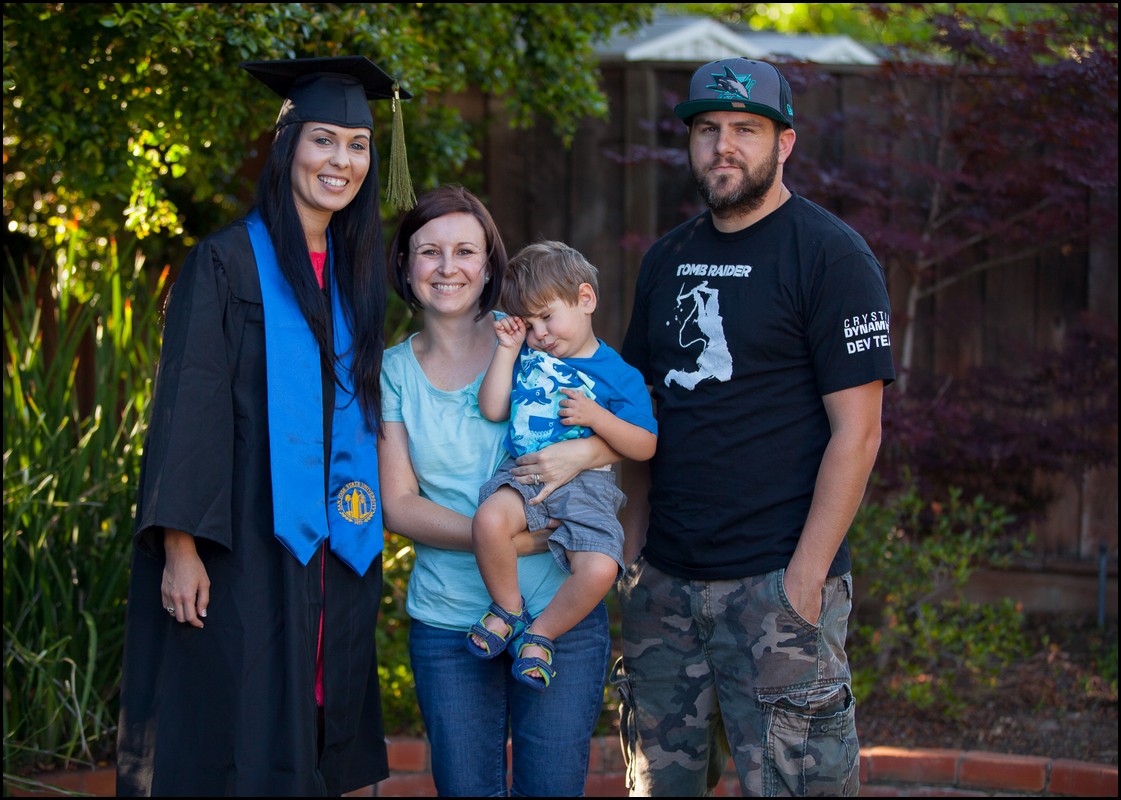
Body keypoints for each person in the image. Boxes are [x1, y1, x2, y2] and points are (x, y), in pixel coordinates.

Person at [115, 55, 410, 796]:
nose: (340, 160)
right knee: (236, 714)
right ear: (287, 146)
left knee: (314, 712)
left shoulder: (354, 274)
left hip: (328, 553)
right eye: (323, 140)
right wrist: (181, 547)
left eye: (357, 145)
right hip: (241, 544)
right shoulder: (222, 264)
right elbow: (189, 409)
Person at [615, 57, 896, 797]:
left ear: (786, 142)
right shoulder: (666, 260)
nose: (723, 146)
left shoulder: (830, 256)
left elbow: (858, 435)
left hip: (774, 589)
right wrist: (634, 548)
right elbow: (641, 410)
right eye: (707, 130)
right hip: (667, 589)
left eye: (745, 128)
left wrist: (801, 584)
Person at [378, 187, 620, 796]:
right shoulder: (392, 371)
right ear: (405, 266)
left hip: (559, 614)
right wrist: (509, 539)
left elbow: (627, 429)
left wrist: (590, 453)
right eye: (429, 252)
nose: (448, 266)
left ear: (489, 265)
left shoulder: (540, 339)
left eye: (466, 250)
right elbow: (399, 502)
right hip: (450, 622)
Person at [466, 241, 657, 691]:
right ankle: (508, 610)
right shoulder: (529, 359)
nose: (541, 334)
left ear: (585, 299)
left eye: (547, 317)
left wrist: (599, 419)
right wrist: (509, 351)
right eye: (529, 325)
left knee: (600, 568)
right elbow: (493, 408)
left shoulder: (619, 374)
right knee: (489, 520)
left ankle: (541, 635)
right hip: (526, 472)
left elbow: (646, 445)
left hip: (588, 487)